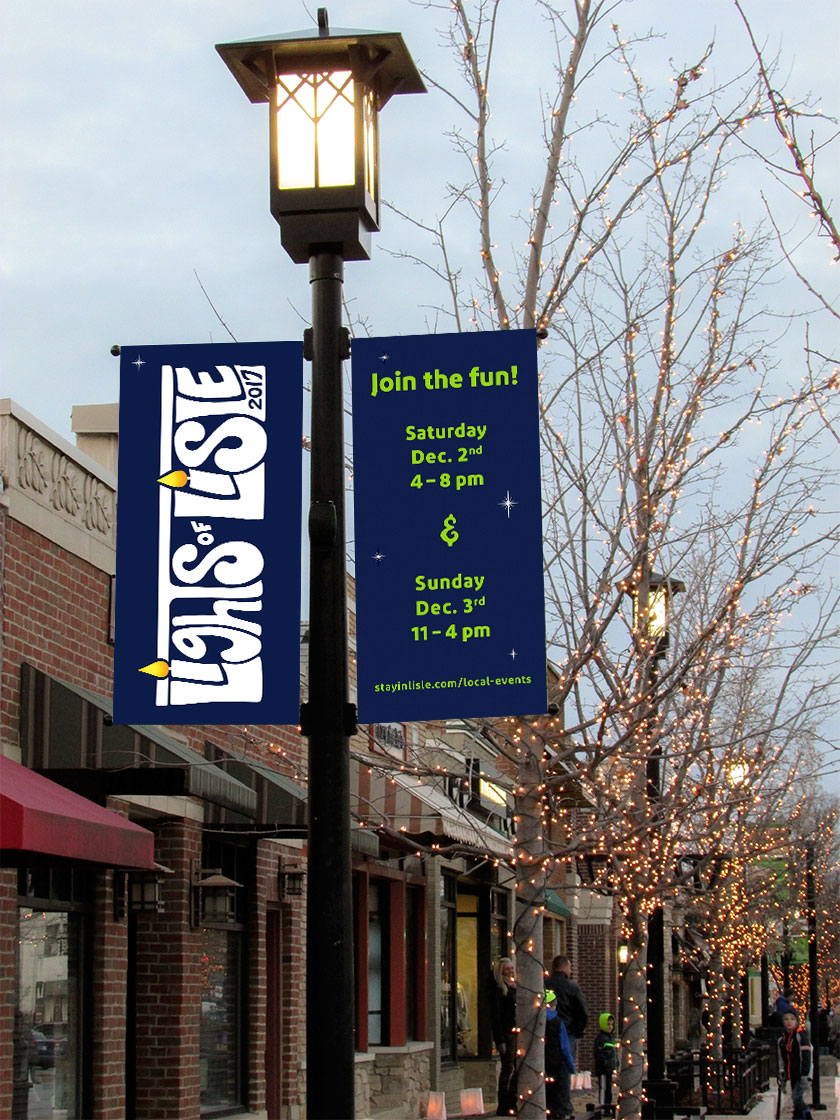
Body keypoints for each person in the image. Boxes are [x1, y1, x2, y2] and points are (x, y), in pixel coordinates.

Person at [545, 955, 589, 1120]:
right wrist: (578, 1030)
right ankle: (563, 1108)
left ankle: (548, 1105)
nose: (570, 972)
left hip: (546, 1034)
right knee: (564, 1071)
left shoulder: (543, 984)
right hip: (567, 1033)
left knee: (547, 1070)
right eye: (570, 968)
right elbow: (583, 1012)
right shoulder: (572, 987)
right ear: (564, 968)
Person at [488, 957, 517, 1116]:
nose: (510, 971)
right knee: (507, 1067)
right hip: (506, 1033)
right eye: (507, 969)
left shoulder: (512, 987)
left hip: (515, 1031)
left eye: (511, 968)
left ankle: (512, 1100)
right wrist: (499, 1040)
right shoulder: (498, 989)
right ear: (500, 971)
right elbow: (496, 1016)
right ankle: (504, 1103)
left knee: (514, 1066)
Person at [776, 1007, 812, 1120]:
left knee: (796, 1097)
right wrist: (782, 1071)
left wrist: (805, 1074)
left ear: (796, 1021)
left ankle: (807, 1116)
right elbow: (782, 1057)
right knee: (796, 1098)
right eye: (786, 1019)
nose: (789, 1022)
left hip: (801, 1073)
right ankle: (798, 1117)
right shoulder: (782, 1039)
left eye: (792, 1019)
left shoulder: (800, 1036)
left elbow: (806, 1056)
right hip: (791, 1073)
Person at [546, 989, 575, 1120]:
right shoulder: (558, 1022)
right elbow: (564, 1047)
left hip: (541, 1062)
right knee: (556, 1090)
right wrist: (571, 1066)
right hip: (555, 1061)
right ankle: (557, 1113)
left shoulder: (535, 1021)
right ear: (554, 1005)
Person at [594, 1012, 617, 1114]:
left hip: (609, 1069)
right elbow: (598, 1054)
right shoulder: (601, 1039)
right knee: (603, 1088)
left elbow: (613, 1053)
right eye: (608, 1024)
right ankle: (603, 1108)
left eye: (612, 1024)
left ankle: (607, 1107)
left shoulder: (610, 1038)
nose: (610, 1027)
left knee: (609, 1089)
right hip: (603, 1069)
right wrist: (604, 1064)